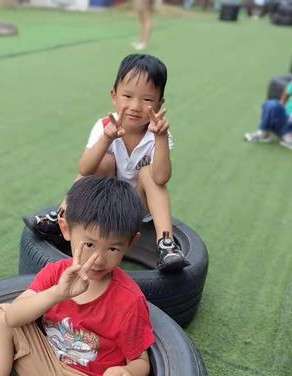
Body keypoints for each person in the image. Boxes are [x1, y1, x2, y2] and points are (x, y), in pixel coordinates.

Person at [0, 176, 154, 376]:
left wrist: (128, 373)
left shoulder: (130, 301)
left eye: (113, 248)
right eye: (89, 244)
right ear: (66, 229)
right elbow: (12, 316)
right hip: (41, 370)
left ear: (131, 243)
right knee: (1, 315)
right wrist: (58, 293)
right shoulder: (55, 274)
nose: (98, 259)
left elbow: (141, 360)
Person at [24, 54, 189, 273]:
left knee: (149, 172)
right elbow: (84, 169)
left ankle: (166, 245)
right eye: (127, 96)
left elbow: (161, 178)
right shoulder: (105, 125)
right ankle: (61, 215)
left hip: (137, 206)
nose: (135, 106)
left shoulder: (157, 134)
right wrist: (107, 138)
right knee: (102, 161)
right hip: (103, 203)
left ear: (159, 104)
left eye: (147, 100)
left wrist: (160, 137)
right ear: (114, 96)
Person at [244, 81, 292, 150]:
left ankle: (288, 138)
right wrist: (270, 113)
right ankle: (264, 133)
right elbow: (282, 102)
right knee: (271, 104)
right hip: (285, 120)